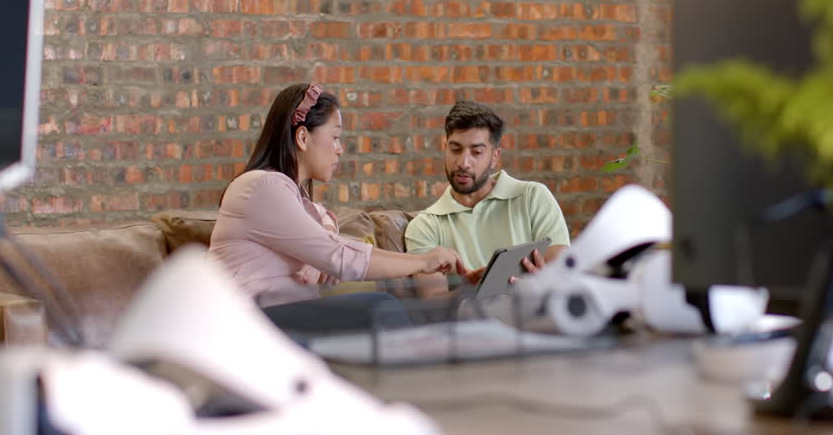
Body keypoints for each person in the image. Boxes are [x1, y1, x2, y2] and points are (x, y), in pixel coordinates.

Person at [209, 82, 466, 333]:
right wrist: (422, 262)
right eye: (335, 137)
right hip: (249, 324)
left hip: (281, 318)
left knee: (377, 311)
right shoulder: (262, 186)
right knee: (379, 307)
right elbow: (337, 255)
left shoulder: (292, 199)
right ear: (302, 137)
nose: (340, 149)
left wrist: (321, 249)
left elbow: (327, 238)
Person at [404, 100, 571, 297]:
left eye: (477, 152)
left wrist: (546, 284)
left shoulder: (532, 197)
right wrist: (470, 292)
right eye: (455, 149)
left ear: (494, 156)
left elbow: (564, 274)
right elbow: (431, 305)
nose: (463, 163)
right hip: (474, 323)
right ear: (445, 147)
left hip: (536, 314)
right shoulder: (424, 226)